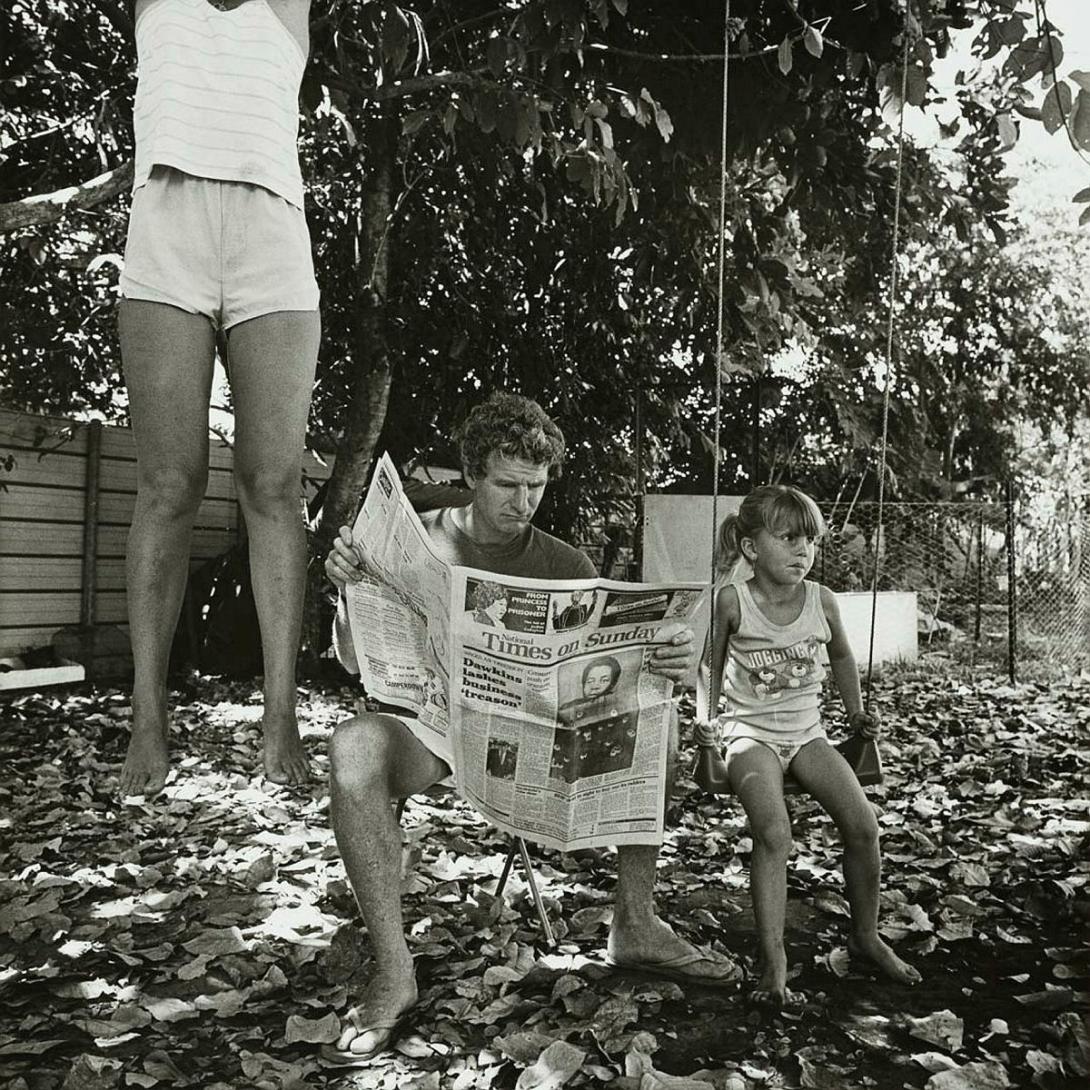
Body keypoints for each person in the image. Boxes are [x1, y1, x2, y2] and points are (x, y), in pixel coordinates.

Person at [323, 392, 740, 1065]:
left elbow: (602, 666)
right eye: (509, 486)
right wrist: (346, 594)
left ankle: (635, 922)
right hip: (432, 728)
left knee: (654, 721)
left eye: (537, 487)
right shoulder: (419, 539)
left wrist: (662, 659)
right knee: (352, 746)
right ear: (473, 476)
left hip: (537, 736)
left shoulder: (564, 563)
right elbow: (353, 659)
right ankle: (393, 969)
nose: (524, 502)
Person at [118, 0, 319, 795]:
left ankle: (280, 713)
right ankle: (147, 716)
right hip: (169, 224)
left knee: (274, 483)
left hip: (270, 229)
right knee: (169, 484)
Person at [695, 485, 921, 1009]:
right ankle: (773, 958)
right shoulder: (732, 601)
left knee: (863, 824)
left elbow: (841, 657)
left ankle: (865, 935)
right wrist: (707, 721)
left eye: (810, 541)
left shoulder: (821, 600)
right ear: (752, 548)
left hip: (807, 734)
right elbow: (709, 665)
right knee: (775, 833)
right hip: (748, 735)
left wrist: (856, 712)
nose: (803, 551)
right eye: (789, 538)